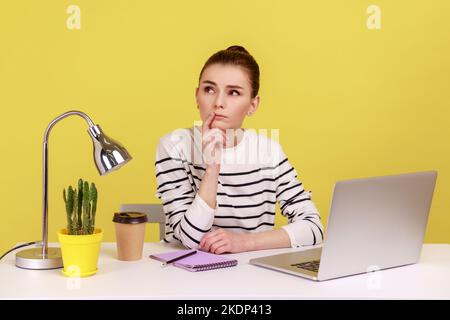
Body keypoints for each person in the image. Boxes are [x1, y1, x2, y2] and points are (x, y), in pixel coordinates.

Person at [155, 45, 324, 254]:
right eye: (209, 89)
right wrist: (212, 167)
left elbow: (313, 227)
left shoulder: (268, 151)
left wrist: (243, 243)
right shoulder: (175, 146)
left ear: (253, 105)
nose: (218, 103)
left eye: (233, 92)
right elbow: (190, 239)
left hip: (251, 274)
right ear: (197, 96)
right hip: (184, 273)